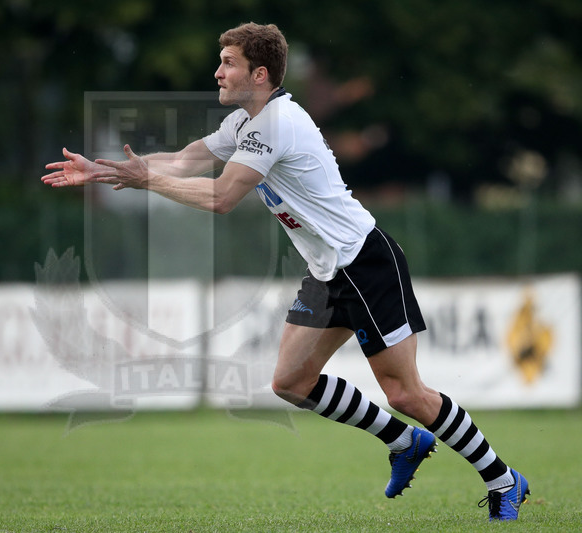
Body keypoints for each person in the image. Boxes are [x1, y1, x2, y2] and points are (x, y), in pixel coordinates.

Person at [41, 22, 529, 521]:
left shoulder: (277, 124)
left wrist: (147, 182)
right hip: (327, 271)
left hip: (366, 263)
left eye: (227, 62)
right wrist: (110, 171)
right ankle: (405, 442)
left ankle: (504, 480)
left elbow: (221, 197)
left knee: (406, 393)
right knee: (291, 382)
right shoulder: (244, 125)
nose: (217, 71)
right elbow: (185, 161)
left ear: (259, 73)